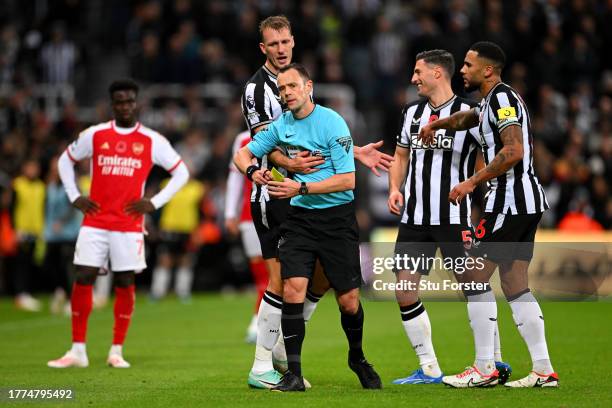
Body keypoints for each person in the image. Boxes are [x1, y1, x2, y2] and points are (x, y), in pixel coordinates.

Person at [241, 15, 393, 389]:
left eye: (285, 43)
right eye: (273, 44)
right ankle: (266, 363)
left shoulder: (301, 92)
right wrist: (289, 167)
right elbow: (268, 146)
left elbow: (317, 135)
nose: (280, 50)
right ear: (263, 48)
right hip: (277, 194)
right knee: (282, 283)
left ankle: (286, 348)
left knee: (323, 282)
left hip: (313, 199)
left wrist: (352, 151)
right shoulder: (257, 90)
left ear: (292, 42)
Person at [419, 41, 558, 388]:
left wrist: (471, 182)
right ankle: (543, 370)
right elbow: (469, 118)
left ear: (488, 70)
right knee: (514, 285)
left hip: (508, 202)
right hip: (525, 203)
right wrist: (438, 125)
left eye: (468, 65)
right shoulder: (492, 101)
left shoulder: (502, 98)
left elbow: (512, 150)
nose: (462, 70)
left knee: (475, 277)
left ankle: (484, 367)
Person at [387, 49, 511, 385]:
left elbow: (488, 158)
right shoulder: (411, 113)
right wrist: (394, 188)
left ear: (437, 73)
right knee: (404, 289)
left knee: (473, 285)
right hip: (414, 217)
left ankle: (493, 361)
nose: (413, 78)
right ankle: (428, 368)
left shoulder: (469, 115)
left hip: (453, 216)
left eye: (418, 72)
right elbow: (400, 156)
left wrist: (478, 196)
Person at [48, 79, 189, 368]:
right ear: (112, 105)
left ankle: (116, 350)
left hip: (128, 224)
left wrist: (154, 202)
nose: (125, 106)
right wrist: (75, 195)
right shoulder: (95, 135)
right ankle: (78, 350)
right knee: (83, 276)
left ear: (137, 104)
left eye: (129, 101)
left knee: (125, 281)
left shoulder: (152, 140)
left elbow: (182, 173)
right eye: (119, 102)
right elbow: (64, 161)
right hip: (95, 221)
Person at [224, 130, 268, 343]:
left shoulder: (286, 129)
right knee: (263, 275)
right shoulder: (241, 138)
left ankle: (260, 324)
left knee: (276, 275)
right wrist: (230, 212)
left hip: (280, 211)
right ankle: (258, 324)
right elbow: (234, 177)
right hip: (249, 215)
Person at [150, 164, 204, 302]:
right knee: (165, 260)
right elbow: (157, 205)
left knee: (185, 260)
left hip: (188, 229)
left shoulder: (197, 188)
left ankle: (183, 292)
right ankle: (158, 292)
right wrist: (155, 226)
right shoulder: (167, 184)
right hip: (169, 227)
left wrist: (198, 231)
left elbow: (202, 210)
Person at [43, 156, 82, 315]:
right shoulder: (50, 185)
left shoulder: (70, 185)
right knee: (51, 265)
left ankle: (70, 299)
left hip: (68, 232)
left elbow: (74, 206)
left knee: (68, 267)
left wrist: (62, 222)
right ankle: (60, 291)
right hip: (52, 234)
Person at [11, 159, 45, 312]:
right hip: (22, 230)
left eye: (34, 167)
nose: (32, 170)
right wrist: (14, 229)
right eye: (30, 167)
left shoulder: (41, 187)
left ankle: (27, 293)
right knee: (21, 263)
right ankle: (20, 294)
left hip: (37, 231)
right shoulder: (17, 185)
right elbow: (12, 208)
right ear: (24, 168)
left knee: (32, 263)